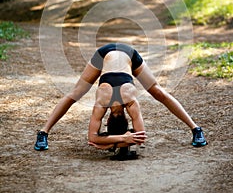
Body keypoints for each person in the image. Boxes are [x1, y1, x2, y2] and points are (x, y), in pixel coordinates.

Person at [34, 43, 207, 154]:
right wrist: (122, 140)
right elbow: (139, 137)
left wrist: (111, 142)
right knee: (75, 93)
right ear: (108, 120)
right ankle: (196, 130)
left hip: (124, 55)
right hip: (111, 54)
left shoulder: (105, 103)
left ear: (108, 119)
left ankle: (195, 128)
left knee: (158, 91)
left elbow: (94, 138)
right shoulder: (129, 103)